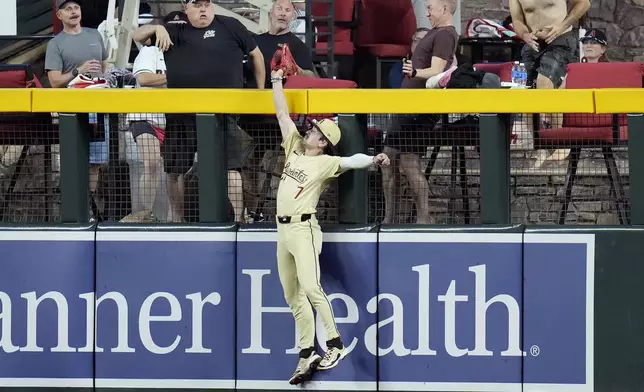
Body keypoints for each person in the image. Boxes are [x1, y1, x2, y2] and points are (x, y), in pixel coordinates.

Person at [270, 67, 390, 384]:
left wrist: (375, 159)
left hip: (304, 228)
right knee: (292, 296)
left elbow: (352, 161)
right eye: (311, 129)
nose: (308, 131)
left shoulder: (324, 162)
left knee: (311, 288)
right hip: (282, 230)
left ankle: (335, 344)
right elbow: (282, 113)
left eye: (314, 131)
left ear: (322, 143)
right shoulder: (294, 148)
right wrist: (276, 82)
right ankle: (306, 351)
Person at [131, 0, 265, 223]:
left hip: (223, 112)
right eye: (197, 5)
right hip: (181, 113)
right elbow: (137, 36)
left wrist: (260, 92)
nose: (203, 9)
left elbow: (257, 55)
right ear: (187, 9)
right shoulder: (175, 31)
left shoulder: (231, 25)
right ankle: (178, 220)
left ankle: (239, 219)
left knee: (231, 167)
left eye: (206, 4)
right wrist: (156, 27)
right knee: (175, 170)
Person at [380, 0, 458, 224]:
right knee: (388, 159)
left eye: (430, 8)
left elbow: (437, 71)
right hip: (406, 107)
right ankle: (389, 217)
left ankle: (424, 218)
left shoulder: (445, 34)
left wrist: (414, 71)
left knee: (409, 162)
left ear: (444, 9)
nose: (427, 13)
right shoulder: (435, 33)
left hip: (419, 109)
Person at [46, 0, 110, 221]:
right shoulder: (56, 44)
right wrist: (78, 71)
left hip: (98, 106)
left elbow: (105, 64)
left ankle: (88, 211)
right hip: (72, 112)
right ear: (60, 15)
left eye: (76, 8)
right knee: (74, 160)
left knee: (95, 163)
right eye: (68, 9)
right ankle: (73, 210)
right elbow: (54, 82)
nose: (74, 12)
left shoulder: (95, 35)